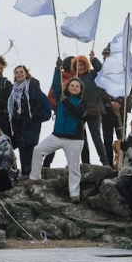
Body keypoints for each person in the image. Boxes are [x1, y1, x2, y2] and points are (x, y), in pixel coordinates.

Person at [29, 59, 88, 203]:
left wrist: (66, 101)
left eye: (77, 86)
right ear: (68, 87)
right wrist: (57, 68)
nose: (74, 87)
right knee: (38, 150)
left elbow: (78, 113)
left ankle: (74, 193)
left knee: (74, 167)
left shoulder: (82, 102)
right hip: (57, 136)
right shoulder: (60, 96)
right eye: (72, 85)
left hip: (74, 139)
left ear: (80, 90)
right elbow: (56, 85)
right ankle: (34, 178)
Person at [100, 45, 132, 168]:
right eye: (104, 55)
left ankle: (123, 162)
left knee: (122, 137)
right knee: (107, 138)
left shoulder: (124, 70)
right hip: (106, 109)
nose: (104, 57)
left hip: (122, 108)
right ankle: (109, 164)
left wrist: (119, 101)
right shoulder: (102, 72)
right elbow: (100, 88)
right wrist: (111, 101)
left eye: (107, 54)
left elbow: (130, 87)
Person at [8, 65, 44, 178]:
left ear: (26, 73)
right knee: (22, 147)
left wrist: (32, 117)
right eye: (17, 72)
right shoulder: (13, 89)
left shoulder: (32, 85)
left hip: (31, 122)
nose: (19, 74)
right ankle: (24, 172)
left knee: (32, 146)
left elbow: (39, 102)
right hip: (18, 122)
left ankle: (33, 172)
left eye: (21, 72)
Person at [77, 52, 108, 165]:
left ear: (85, 65)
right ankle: (85, 162)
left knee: (96, 137)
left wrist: (94, 60)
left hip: (93, 109)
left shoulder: (92, 74)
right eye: (77, 65)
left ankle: (105, 162)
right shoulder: (75, 79)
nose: (79, 67)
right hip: (80, 111)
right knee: (80, 138)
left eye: (81, 64)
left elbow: (101, 70)